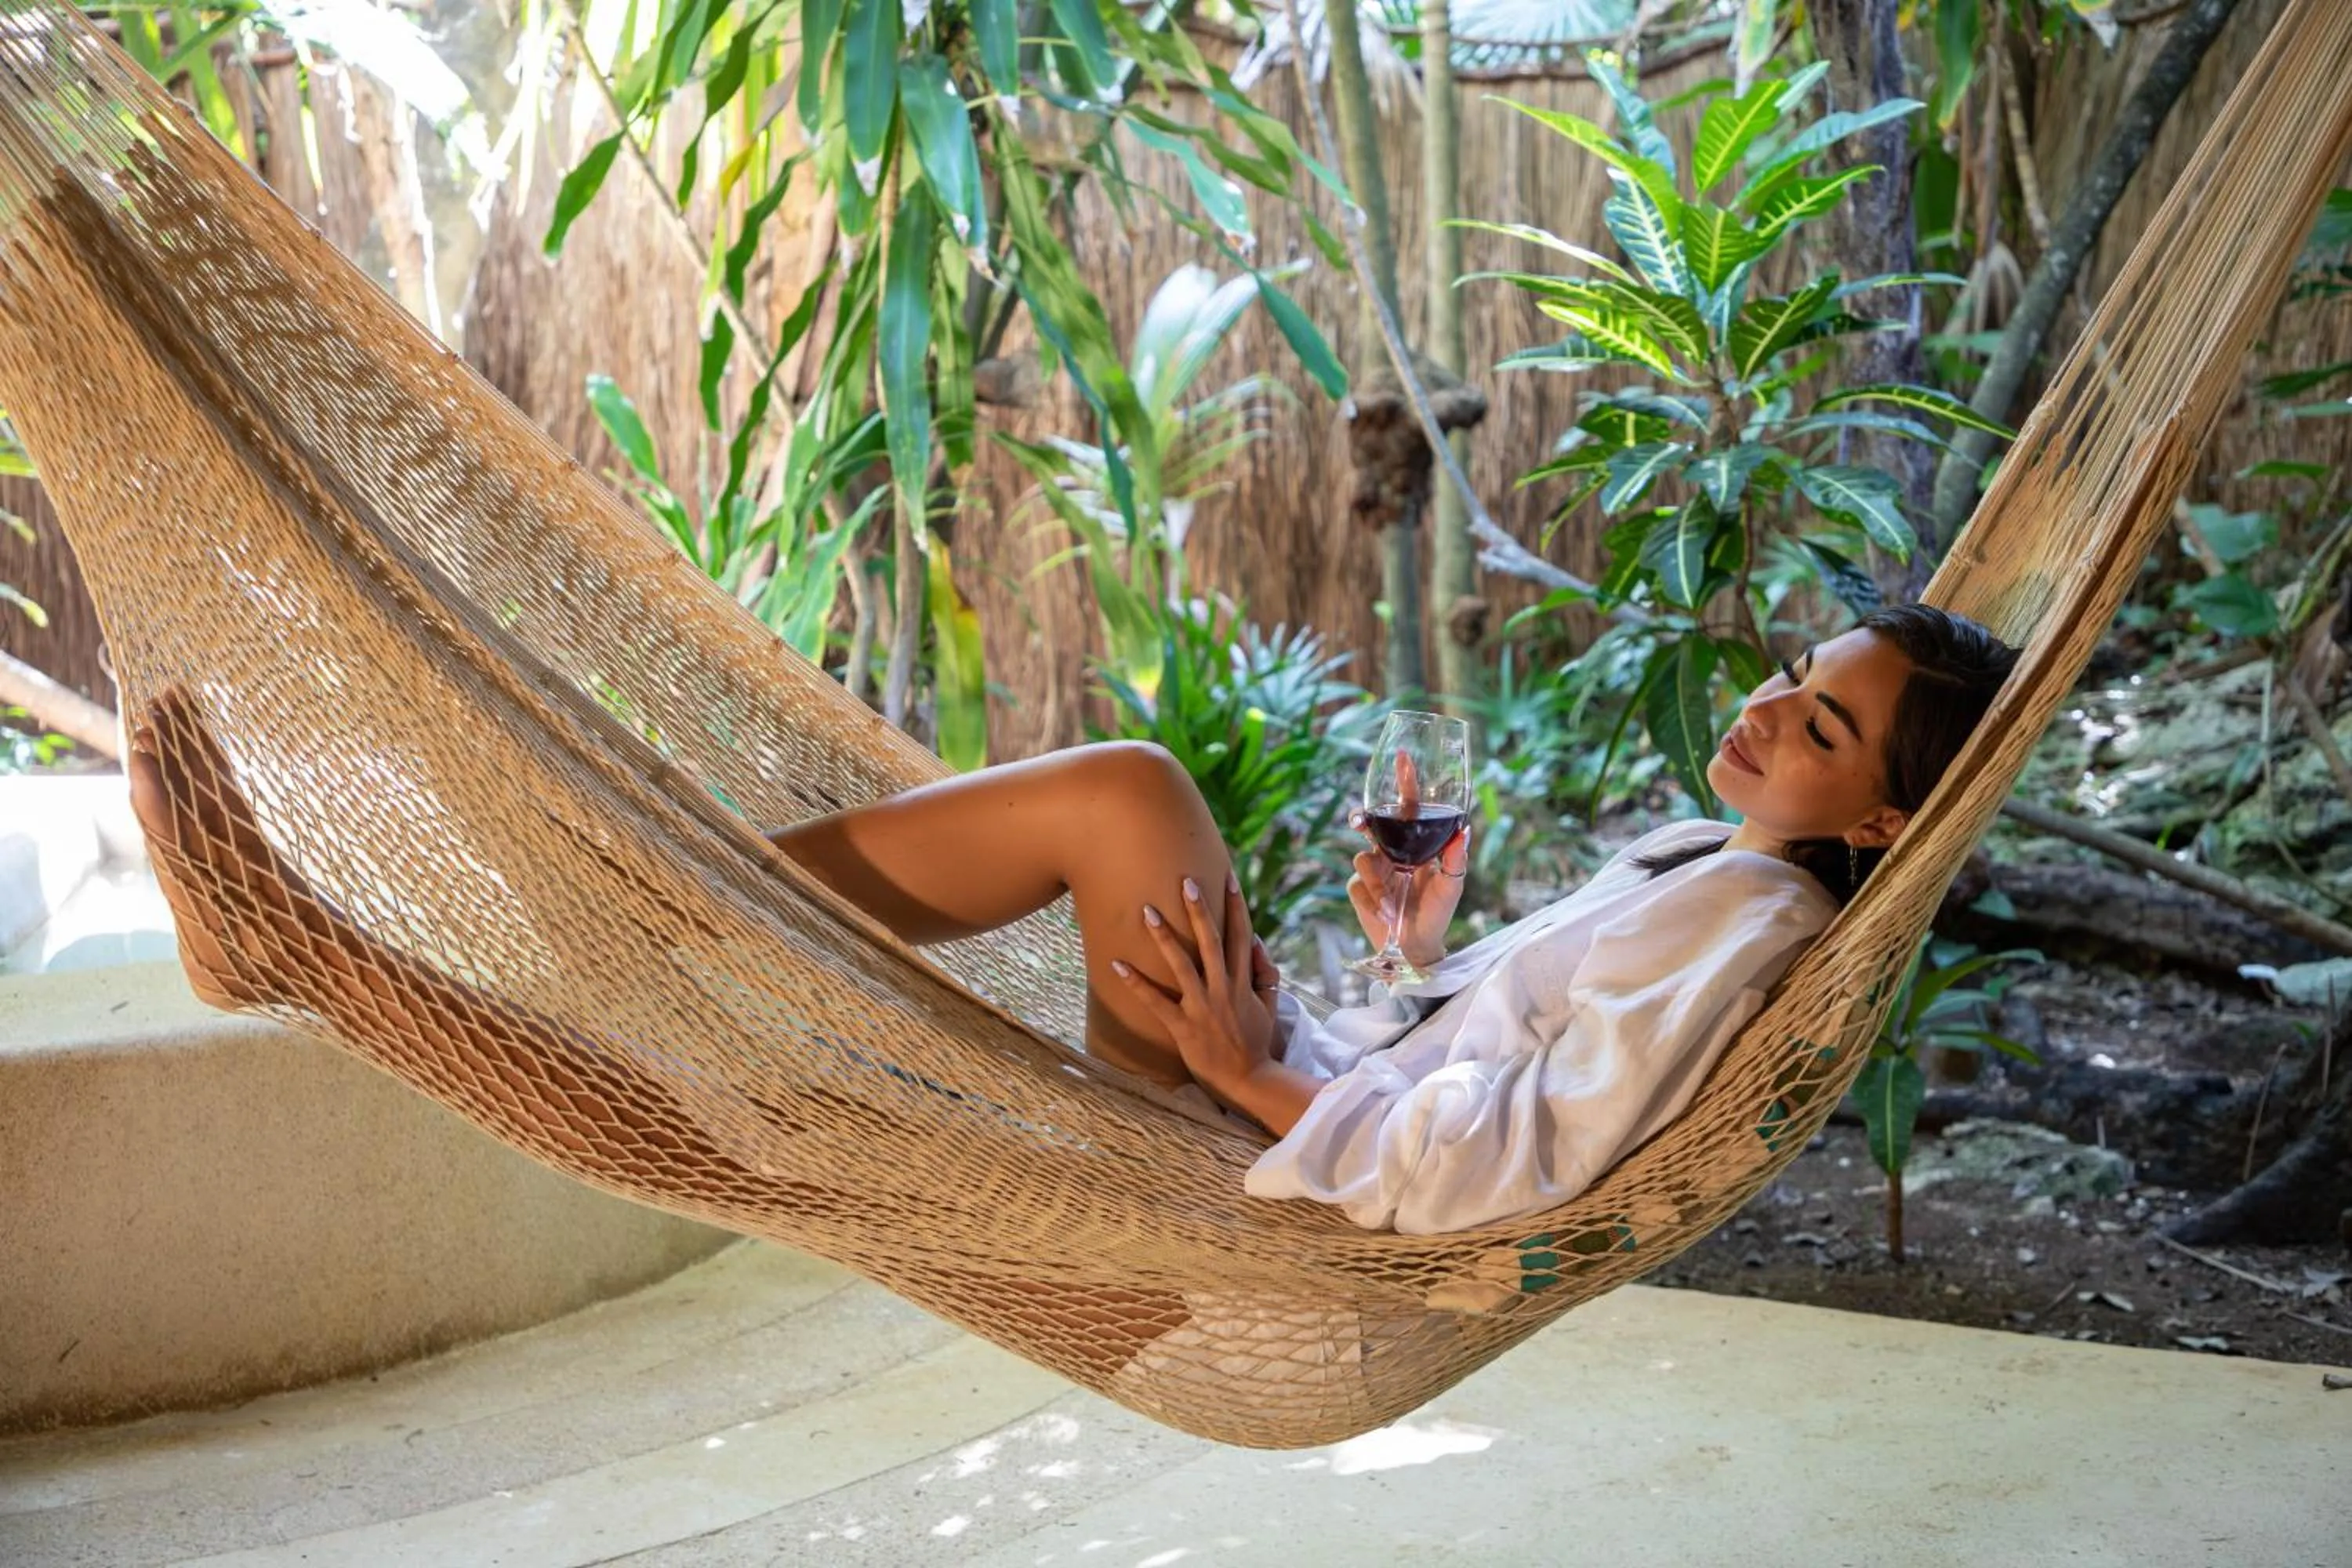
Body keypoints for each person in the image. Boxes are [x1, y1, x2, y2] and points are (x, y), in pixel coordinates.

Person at [125, 602, 2016, 1242]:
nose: (1769, 706)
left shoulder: (1759, 920)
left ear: (1892, 814)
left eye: (1824, 723)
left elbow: (1524, 1161)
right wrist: (1389, 970)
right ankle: (425, 929)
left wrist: (1261, 1070)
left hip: (1284, 1178)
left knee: (1122, 798)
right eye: (1791, 671)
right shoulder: (1723, 857)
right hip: (1305, 1109)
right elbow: (1505, 1066)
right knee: (816, 1093)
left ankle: (604, 899)